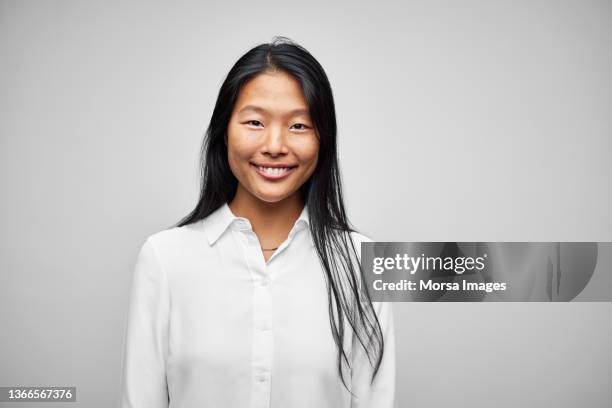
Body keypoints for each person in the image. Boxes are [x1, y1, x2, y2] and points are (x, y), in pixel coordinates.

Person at [119, 36, 395, 408]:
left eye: (299, 125)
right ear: (224, 131)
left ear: (322, 140)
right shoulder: (164, 259)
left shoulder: (362, 263)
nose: (275, 145)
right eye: (254, 122)